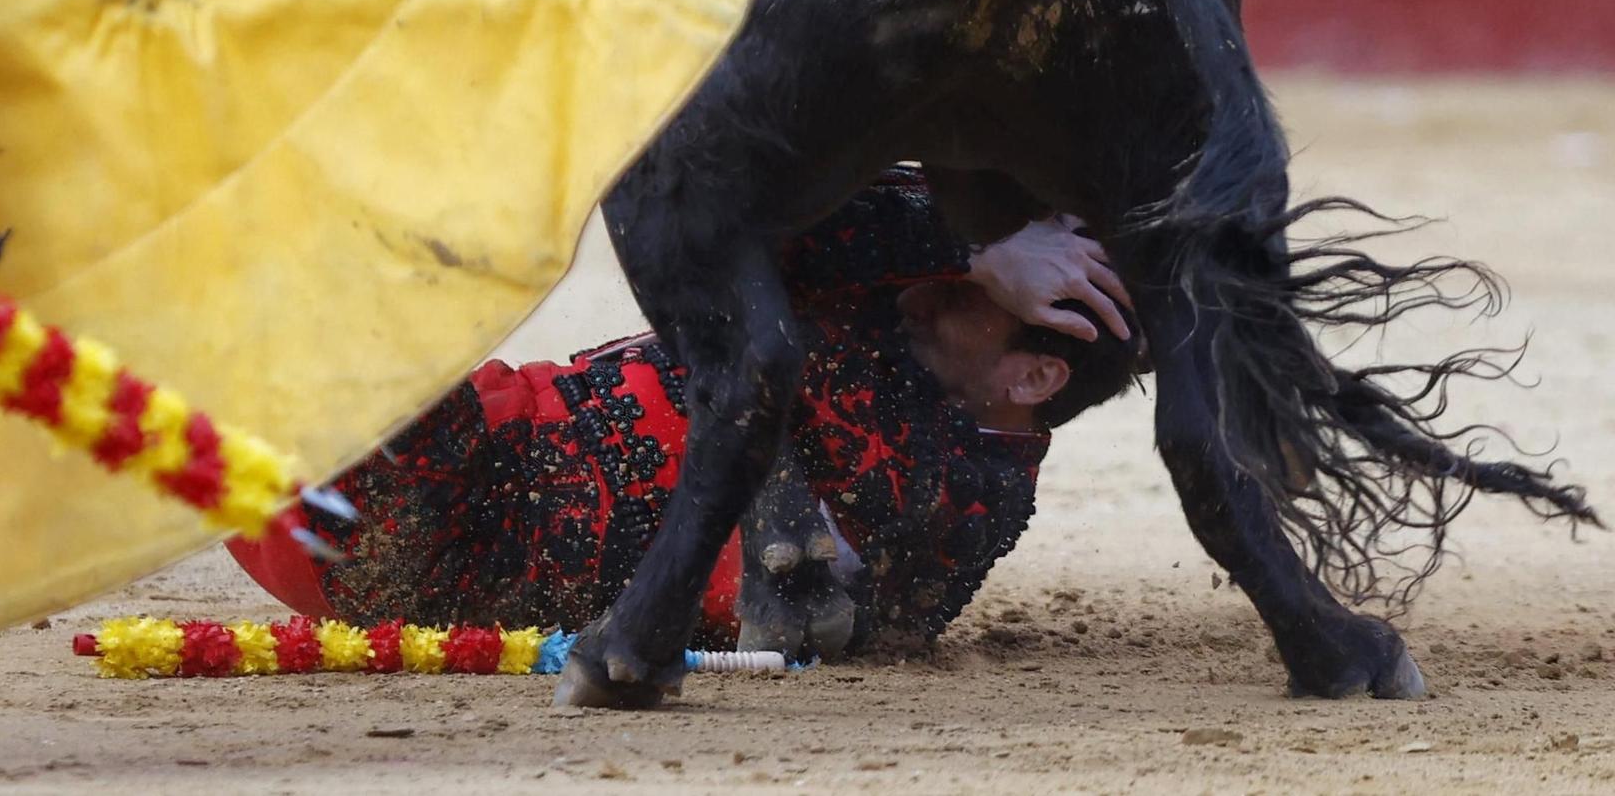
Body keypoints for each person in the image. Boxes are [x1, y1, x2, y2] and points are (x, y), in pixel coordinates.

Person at [230, 168, 1143, 653]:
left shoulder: (946, 497)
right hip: (436, 447)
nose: (940, 288)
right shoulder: (922, 353)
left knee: (366, 248)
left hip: (410, 530)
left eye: (972, 296)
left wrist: (965, 242)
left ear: (1032, 380)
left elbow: (720, 205)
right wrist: (984, 248)